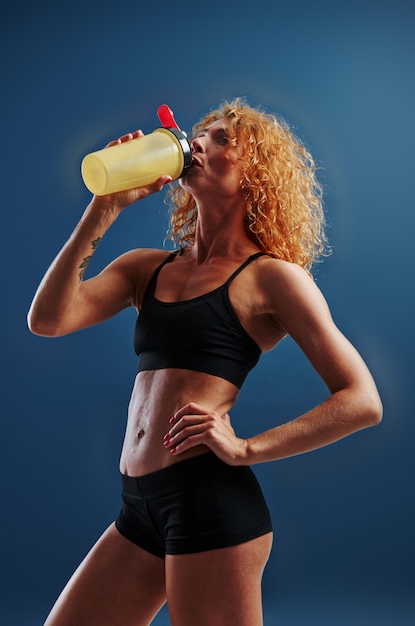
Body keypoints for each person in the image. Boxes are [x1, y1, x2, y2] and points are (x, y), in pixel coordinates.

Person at [28, 98, 382, 626]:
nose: (197, 143)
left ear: (255, 174)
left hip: (208, 503)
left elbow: (362, 400)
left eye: (221, 140)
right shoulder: (146, 269)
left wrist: (246, 449)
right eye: (199, 134)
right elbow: (48, 320)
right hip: (139, 508)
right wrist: (104, 206)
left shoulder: (273, 279)